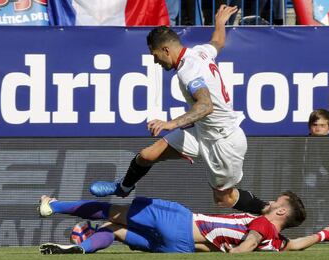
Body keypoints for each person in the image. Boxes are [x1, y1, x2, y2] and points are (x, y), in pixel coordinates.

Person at [89, 5, 266, 213]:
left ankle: (271, 212)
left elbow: (205, 105)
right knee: (147, 155)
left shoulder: (187, 70)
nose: (155, 60)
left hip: (222, 140)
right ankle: (123, 187)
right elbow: (217, 42)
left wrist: (170, 123)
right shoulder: (199, 52)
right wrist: (219, 23)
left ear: (165, 50)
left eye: (155, 55)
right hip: (202, 131)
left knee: (224, 199)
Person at [37, 191, 329, 254]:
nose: (270, 202)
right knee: (116, 231)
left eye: (276, 203)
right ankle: (79, 249)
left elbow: (248, 245)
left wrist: (236, 253)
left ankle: (52, 206)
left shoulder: (263, 228)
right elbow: (295, 244)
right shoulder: (278, 242)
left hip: (182, 223)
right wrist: (322, 235)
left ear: (281, 213)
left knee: (109, 212)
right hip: (182, 247)